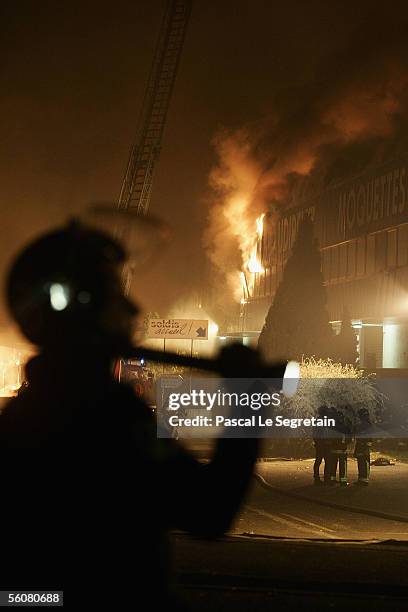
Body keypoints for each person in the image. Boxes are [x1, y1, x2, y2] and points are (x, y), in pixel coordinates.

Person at [0, 221, 260, 608]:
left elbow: (22, 593)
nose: (131, 307)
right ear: (84, 307)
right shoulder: (109, 417)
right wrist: (247, 401)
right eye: (113, 294)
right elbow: (209, 512)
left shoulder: (20, 418)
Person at [354, 408, 372, 486]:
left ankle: (364, 480)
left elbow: (369, 438)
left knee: (364, 463)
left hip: (363, 446)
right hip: (361, 445)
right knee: (361, 463)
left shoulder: (366, 425)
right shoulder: (364, 424)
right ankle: (361, 479)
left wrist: (366, 447)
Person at [312, 405, 330, 485]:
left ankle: (319, 478)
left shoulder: (320, 420)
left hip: (322, 443)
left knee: (321, 461)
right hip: (322, 443)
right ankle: (320, 478)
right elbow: (317, 433)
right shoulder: (320, 420)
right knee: (322, 461)